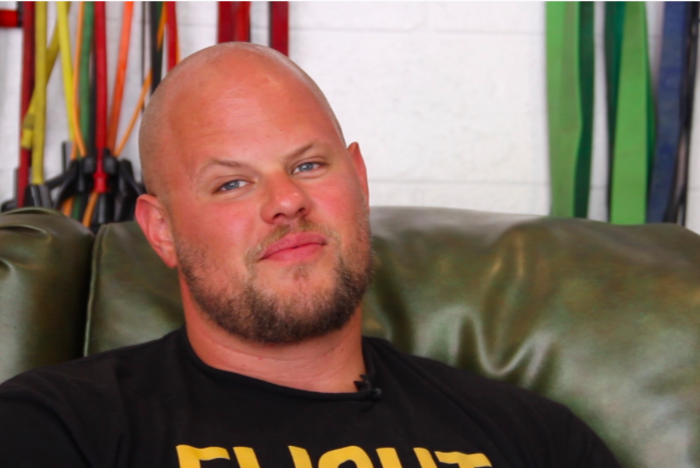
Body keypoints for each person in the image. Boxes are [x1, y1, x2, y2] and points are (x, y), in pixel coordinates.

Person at [0, 43, 620, 468]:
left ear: (360, 181)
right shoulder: (55, 428)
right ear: (161, 231)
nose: (286, 201)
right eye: (232, 183)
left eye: (308, 165)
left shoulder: (535, 438)